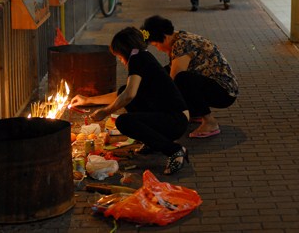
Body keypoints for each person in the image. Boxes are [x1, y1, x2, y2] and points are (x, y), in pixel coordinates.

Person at [70, 27, 190, 175]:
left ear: (124, 50)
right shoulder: (141, 56)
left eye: (119, 56)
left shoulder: (137, 59)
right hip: (174, 118)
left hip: (175, 121)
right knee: (123, 92)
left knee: (124, 122)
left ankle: (175, 151)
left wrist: (105, 112)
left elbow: (129, 95)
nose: (120, 60)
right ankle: (153, 142)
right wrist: (87, 100)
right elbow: (124, 93)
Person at [141, 15, 239, 138]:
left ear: (165, 37)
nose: (158, 49)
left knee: (182, 79)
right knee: (165, 72)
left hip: (224, 92)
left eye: (156, 45)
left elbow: (173, 81)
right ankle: (195, 112)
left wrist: (159, 111)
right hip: (218, 86)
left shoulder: (182, 44)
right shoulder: (180, 37)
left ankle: (210, 122)